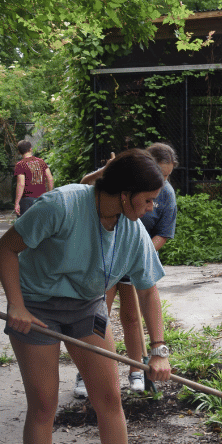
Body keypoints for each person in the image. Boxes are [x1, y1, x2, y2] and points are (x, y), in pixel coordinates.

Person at [0, 148, 173, 444]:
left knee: (108, 397)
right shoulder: (61, 206)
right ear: (125, 194)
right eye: (148, 200)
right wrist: (15, 303)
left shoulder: (133, 230)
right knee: (44, 404)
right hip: (37, 306)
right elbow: (7, 247)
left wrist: (158, 350)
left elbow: (148, 290)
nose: (152, 208)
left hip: (87, 307)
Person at [77, 144, 177, 396]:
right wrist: (105, 170)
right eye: (160, 175)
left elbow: (164, 233)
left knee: (132, 318)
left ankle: (136, 372)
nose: (163, 182)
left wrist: (139, 257)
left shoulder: (166, 194)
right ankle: (85, 375)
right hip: (107, 258)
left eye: (167, 176)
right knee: (99, 316)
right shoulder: (119, 185)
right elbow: (84, 186)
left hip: (134, 262)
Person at [14, 140, 54, 216]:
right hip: (42, 199)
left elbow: (21, 184)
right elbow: (50, 179)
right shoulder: (41, 162)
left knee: (25, 226)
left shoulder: (20, 165)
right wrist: (49, 194)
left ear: (19, 152)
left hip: (27, 201)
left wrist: (17, 203)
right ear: (30, 149)